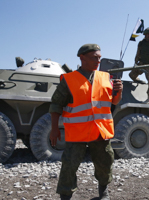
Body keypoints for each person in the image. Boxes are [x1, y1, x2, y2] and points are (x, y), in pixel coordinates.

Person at [49, 44, 123, 200]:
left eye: (99, 57)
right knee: (69, 165)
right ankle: (65, 196)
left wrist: (119, 91)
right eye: (94, 57)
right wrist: (54, 129)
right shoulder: (69, 80)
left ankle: (103, 192)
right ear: (82, 57)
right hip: (77, 132)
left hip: (100, 131)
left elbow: (113, 103)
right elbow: (56, 104)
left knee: (105, 162)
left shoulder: (106, 77)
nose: (98, 60)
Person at [129, 27, 149, 104]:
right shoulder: (141, 43)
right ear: (145, 35)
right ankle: (138, 81)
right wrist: (135, 63)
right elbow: (138, 53)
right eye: (147, 34)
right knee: (131, 75)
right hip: (141, 63)